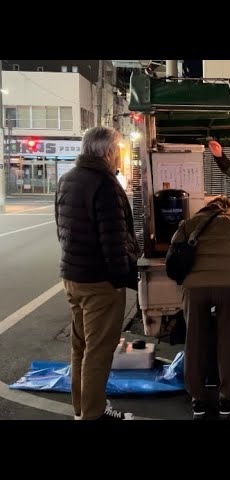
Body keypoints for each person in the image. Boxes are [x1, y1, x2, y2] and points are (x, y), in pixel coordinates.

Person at [55, 126, 140, 420]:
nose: (120, 156)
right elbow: (114, 240)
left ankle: (83, 409)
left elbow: (61, 229)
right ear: (107, 151)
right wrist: (123, 280)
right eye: (119, 150)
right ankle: (92, 415)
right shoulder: (104, 184)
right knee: (98, 353)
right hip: (99, 282)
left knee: (80, 347)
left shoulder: (67, 179)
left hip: (73, 277)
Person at [171, 195, 230, 419]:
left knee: (195, 341)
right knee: (228, 340)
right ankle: (227, 399)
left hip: (195, 288)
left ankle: (198, 400)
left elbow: (174, 253)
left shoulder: (190, 222)